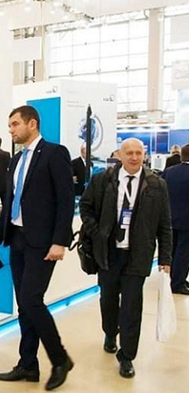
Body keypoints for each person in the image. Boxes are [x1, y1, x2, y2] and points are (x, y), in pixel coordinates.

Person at [0, 105, 75, 391]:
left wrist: (60, 241)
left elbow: (65, 200)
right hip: (18, 239)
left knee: (31, 300)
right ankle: (28, 364)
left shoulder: (54, 153)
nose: (10, 130)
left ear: (32, 124)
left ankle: (60, 359)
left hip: (43, 243)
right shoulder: (16, 160)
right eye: (10, 125)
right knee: (23, 305)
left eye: (15, 124)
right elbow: (11, 201)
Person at [79, 138, 172, 379]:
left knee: (132, 306)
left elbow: (165, 224)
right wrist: (97, 232)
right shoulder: (102, 180)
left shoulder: (156, 185)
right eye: (129, 152)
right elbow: (86, 208)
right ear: (119, 155)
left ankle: (127, 356)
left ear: (144, 155)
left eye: (138, 153)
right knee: (108, 300)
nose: (134, 157)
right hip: (108, 254)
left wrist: (166, 258)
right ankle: (110, 332)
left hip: (138, 255)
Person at [161, 143, 189, 295]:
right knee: (183, 253)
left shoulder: (169, 172)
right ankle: (178, 282)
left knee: (171, 250)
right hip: (186, 221)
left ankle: (173, 278)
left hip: (170, 217)